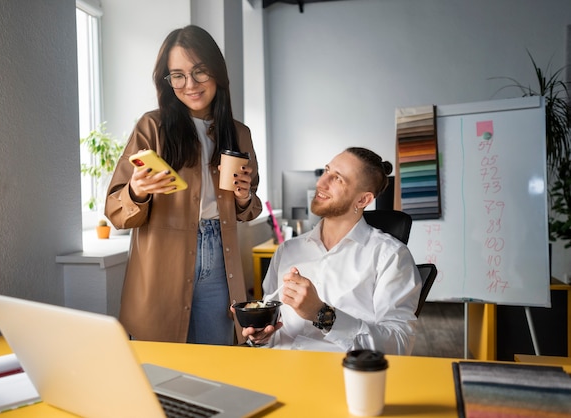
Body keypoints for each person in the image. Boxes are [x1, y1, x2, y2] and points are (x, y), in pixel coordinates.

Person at [105, 25, 262, 345]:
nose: (189, 84)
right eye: (177, 75)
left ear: (217, 72)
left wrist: (244, 197)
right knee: (158, 368)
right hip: (161, 259)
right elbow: (115, 211)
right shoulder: (152, 126)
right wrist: (137, 190)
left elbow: (248, 208)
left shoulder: (239, 133)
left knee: (213, 365)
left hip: (220, 256)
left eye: (200, 72)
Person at [239, 147, 421, 354]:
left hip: (342, 375)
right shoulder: (287, 251)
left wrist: (322, 314)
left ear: (363, 200)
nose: (320, 183)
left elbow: (399, 344)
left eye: (338, 179)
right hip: (280, 371)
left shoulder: (390, 257)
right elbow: (272, 328)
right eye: (326, 171)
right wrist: (261, 336)